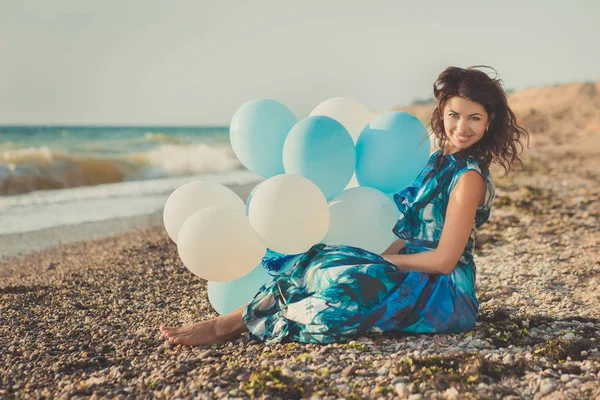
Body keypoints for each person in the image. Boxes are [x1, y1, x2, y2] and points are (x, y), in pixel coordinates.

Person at [160, 65, 529, 346]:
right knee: (322, 258)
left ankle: (238, 325)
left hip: (444, 293)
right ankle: (232, 321)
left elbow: (445, 259)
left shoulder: (468, 177)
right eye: (454, 115)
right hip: (413, 272)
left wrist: (378, 263)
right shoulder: (436, 162)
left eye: (473, 118)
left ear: (488, 122)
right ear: (442, 113)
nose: (461, 127)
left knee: (345, 288)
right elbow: (406, 238)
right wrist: (364, 257)